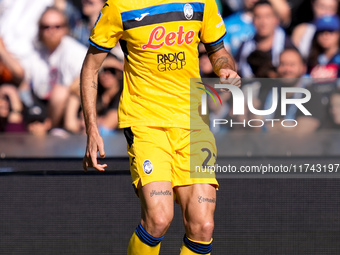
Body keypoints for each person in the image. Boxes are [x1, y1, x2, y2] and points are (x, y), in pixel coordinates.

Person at [80, 0, 240, 254]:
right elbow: (90, 68)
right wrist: (92, 129)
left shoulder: (202, 3)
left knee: (203, 225)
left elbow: (218, 51)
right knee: (159, 219)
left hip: (193, 125)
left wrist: (226, 69)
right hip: (146, 123)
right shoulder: (120, 6)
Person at [20, 7, 87, 134]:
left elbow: (86, 80)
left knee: (60, 93)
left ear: (66, 28)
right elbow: (24, 82)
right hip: (39, 103)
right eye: (46, 27)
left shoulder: (75, 51)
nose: (52, 31)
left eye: (57, 26)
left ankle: (53, 128)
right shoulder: (35, 52)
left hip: (64, 106)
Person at [235, 0, 294, 78]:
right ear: (252, 21)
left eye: (267, 16)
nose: (263, 22)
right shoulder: (244, 47)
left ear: (276, 19)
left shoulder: (287, 46)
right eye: (258, 17)